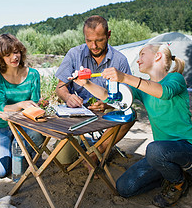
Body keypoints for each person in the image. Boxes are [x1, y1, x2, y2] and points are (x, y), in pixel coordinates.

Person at [70, 43, 192, 208]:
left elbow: (164, 92)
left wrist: (125, 77)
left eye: (142, 54)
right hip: (161, 155)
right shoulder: (143, 88)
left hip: (189, 151)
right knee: (124, 188)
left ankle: (178, 182)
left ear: (158, 56)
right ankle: (168, 174)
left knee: (154, 149)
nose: (138, 60)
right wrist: (86, 84)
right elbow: (112, 98)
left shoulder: (175, 79)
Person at [55, 15, 134, 146]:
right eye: (89, 40)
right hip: (78, 112)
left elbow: (127, 98)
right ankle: (92, 149)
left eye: (99, 40)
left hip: (107, 112)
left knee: (129, 115)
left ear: (108, 35)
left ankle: (98, 151)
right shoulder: (74, 54)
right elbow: (60, 87)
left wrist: (107, 104)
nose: (94, 46)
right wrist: (68, 97)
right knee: (63, 159)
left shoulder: (120, 60)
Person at [0, 33, 45, 179]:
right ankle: (16, 148)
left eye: (16, 52)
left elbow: (35, 105)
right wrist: (21, 104)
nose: (14, 57)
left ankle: (20, 149)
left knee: (19, 160)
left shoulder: (33, 75)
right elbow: (1, 108)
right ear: (0, 57)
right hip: (1, 125)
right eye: (8, 54)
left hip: (25, 124)